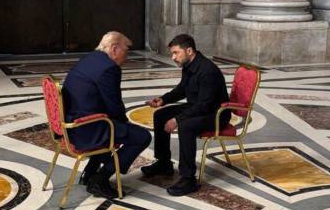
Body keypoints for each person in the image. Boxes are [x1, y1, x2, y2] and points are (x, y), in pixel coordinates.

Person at [63, 31, 151, 199]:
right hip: (87, 129)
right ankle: (100, 179)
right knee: (141, 137)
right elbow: (114, 105)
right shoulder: (109, 68)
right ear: (114, 49)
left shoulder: (90, 59)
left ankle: (89, 172)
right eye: (126, 49)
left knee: (115, 126)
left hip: (72, 125)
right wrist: (126, 125)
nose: (127, 55)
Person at [141, 34, 230, 195]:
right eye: (172, 53)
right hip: (198, 107)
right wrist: (163, 100)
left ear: (189, 51)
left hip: (215, 114)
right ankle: (164, 163)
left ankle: (188, 179)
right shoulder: (189, 65)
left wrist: (177, 119)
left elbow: (204, 105)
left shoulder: (207, 71)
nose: (173, 57)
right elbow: (182, 89)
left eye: (176, 53)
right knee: (160, 115)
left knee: (186, 126)